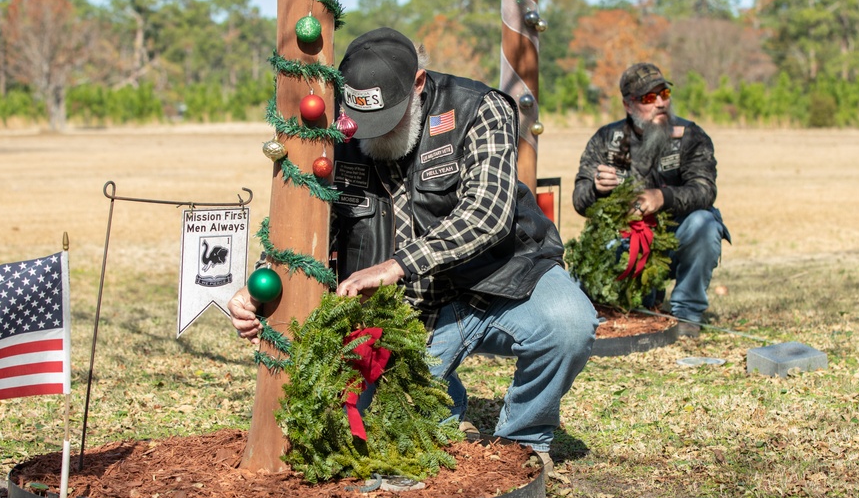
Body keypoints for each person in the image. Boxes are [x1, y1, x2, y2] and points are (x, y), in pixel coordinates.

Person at [229, 27, 598, 469]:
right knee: (368, 432)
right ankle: (444, 405)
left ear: (418, 84)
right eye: (365, 122)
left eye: (389, 118)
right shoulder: (334, 133)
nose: (374, 134)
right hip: (408, 318)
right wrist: (260, 284)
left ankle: (522, 440)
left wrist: (398, 264)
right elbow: (305, 229)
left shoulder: (479, 109)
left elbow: (487, 214)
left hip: (501, 283)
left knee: (569, 324)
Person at [572, 63, 730, 337]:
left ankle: (687, 314)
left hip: (677, 237)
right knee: (604, 303)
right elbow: (579, 200)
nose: (660, 103)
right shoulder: (606, 139)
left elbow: (705, 190)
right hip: (624, 241)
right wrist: (596, 189)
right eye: (648, 98)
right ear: (628, 104)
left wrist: (662, 197)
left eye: (664, 94)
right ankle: (634, 303)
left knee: (705, 223)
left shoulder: (690, 136)